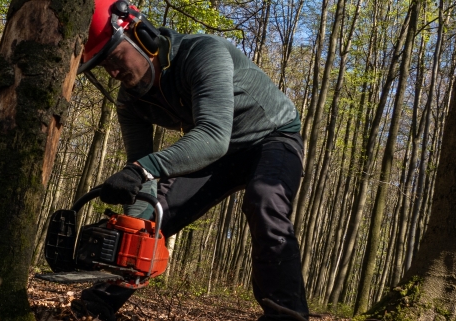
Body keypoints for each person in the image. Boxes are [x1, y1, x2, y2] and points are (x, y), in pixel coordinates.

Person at [70, 0, 310, 320]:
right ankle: (98, 303)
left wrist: (141, 170)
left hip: (273, 137)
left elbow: (211, 135)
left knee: (265, 199)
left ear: (142, 36)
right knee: (154, 214)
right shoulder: (130, 101)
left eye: (113, 56)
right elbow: (143, 174)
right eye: (102, 65)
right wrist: (134, 212)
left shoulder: (203, 53)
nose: (113, 72)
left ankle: (287, 314)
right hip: (222, 151)